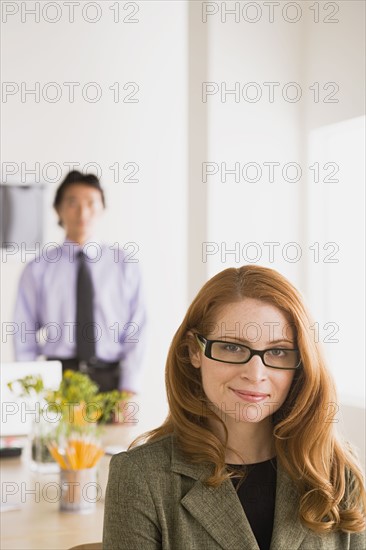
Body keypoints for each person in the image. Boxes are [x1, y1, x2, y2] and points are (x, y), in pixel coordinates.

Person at [103, 265, 365, 549]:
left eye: (277, 351)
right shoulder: (140, 477)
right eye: (232, 347)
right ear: (194, 351)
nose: (255, 374)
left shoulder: (338, 471)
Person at [13, 170, 146, 394]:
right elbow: (22, 331)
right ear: (58, 209)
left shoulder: (125, 264)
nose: (83, 212)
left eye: (91, 203)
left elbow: (139, 327)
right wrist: (29, 389)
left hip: (112, 384)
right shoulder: (38, 269)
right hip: (57, 383)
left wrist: (129, 388)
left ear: (102, 208)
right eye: (73, 203)